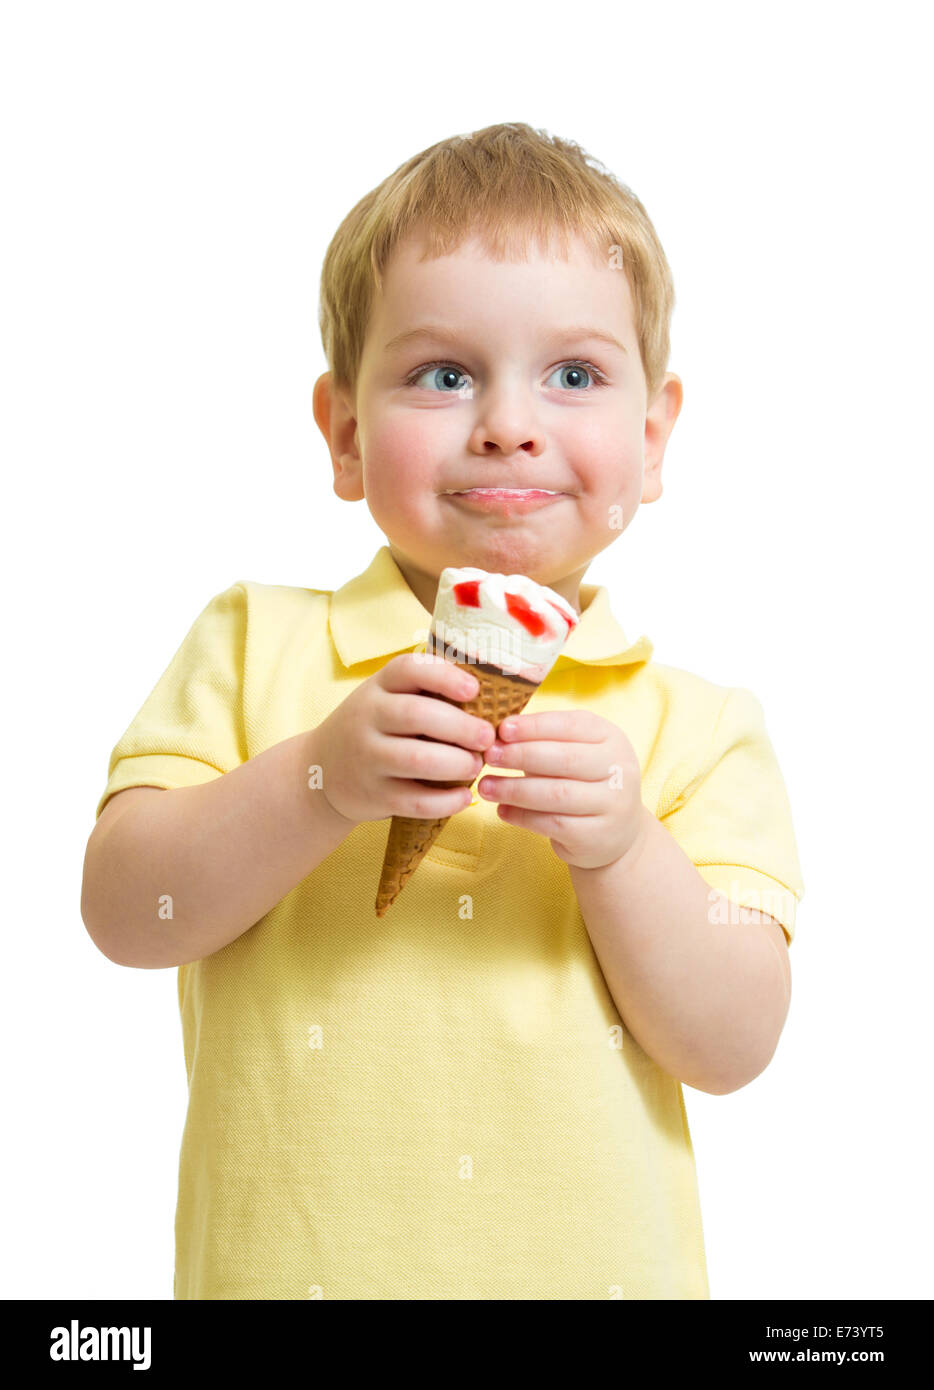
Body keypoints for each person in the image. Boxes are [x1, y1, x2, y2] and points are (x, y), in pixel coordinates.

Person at [81, 122, 804, 1300]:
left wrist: (625, 853)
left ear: (652, 438)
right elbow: (126, 910)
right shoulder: (256, 641)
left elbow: (733, 1042)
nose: (506, 422)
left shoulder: (697, 725)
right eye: (443, 372)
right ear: (348, 433)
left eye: (572, 375)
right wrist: (314, 779)